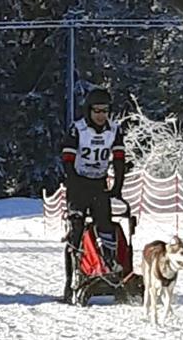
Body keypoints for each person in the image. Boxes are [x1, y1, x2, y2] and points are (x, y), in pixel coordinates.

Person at [61, 87, 127, 278]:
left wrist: (117, 187)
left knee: (105, 225)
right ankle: (71, 278)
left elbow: (119, 159)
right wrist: (73, 184)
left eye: (105, 111)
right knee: (76, 230)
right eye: (96, 111)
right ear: (89, 110)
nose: (101, 115)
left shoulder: (114, 130)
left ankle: (109, 266)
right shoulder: (78, 129)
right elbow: (67, 159)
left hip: (99, 183)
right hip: (78, 183)